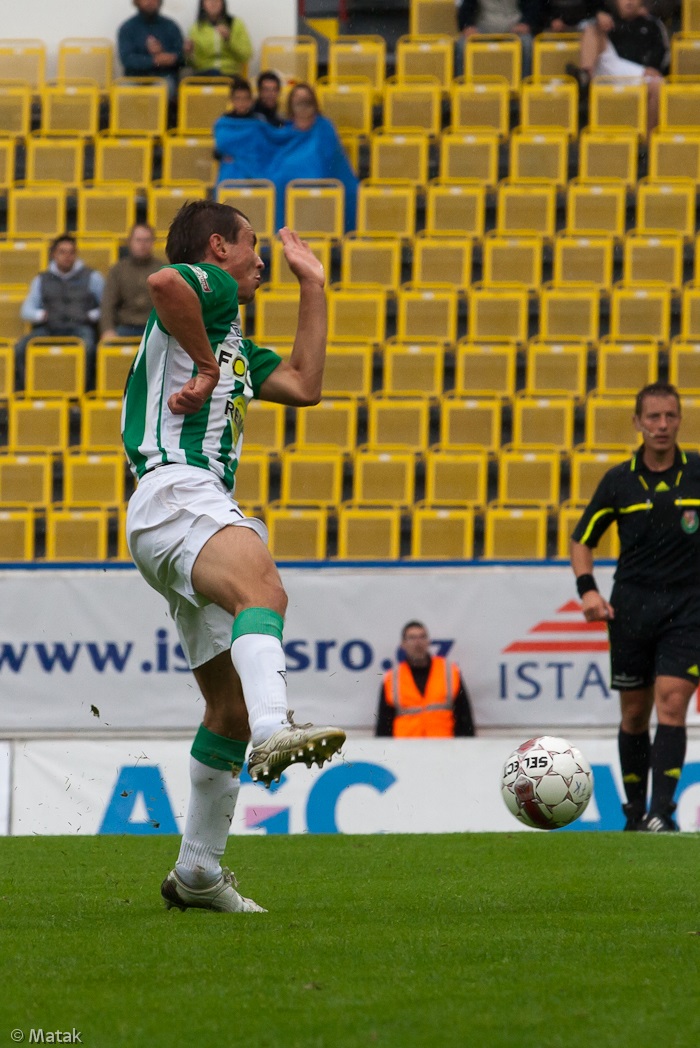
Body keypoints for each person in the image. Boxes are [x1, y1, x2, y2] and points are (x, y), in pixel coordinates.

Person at [122, 200, 346, 912]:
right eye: (253, 247)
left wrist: (314, 286)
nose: (260, 262)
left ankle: (196, 875)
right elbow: (163, 284)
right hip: (179, 492)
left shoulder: (235, 339)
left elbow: (306, 387)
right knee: (266, 591)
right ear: (218, 248)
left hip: (172, 511)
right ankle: (278, 731)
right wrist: (205, 364)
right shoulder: (210, 294)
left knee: (226, 710)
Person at [570, 382, 700, 833]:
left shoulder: (698, 472)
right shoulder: (619, 480)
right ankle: (634, 812)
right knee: (633, 713)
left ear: (680, 419)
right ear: (638, 423)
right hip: (631, 610)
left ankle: (662, 813)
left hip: (687, 610)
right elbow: (582, 539)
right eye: (653, 418)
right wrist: (588, 589)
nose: (662, 426)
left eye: (670, 416)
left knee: (672, 702)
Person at [16, 234, 104, 390]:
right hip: (50, 328)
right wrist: (40, 315)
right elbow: (26, 310)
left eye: (71, 252)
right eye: (62, 252)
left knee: (90, 347)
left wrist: (92, 315)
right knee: (21, 347)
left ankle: (85, 391)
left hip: (79, 327)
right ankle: (25, 391)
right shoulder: (41, 279)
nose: (67, 256)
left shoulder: (92, 277)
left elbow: (106, 305)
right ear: (53, 254)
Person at [566, 0, 669, 131]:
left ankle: (647, 145)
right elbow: (577, 23)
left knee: (658, 85)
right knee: (592, 29)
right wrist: (597, 15)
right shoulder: (608, 20)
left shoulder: (653, 24)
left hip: (637, 75)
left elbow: (662, 53)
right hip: (608, 71)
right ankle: (584, 77)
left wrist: (654, 68)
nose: (629, 2)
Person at [376, 621, 476, 737]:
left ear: (428, 642)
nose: (418, 643)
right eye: (412, 638)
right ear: (403, 644)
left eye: (422, 637)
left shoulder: (449, 671)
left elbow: (464, 715)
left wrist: (465, 748)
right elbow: (383, 724)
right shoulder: (392, 678)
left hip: (444, 747)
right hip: (405, 749)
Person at [100, 224, 165, 341]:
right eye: (138, 240)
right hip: (126, 326)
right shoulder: (118, 270)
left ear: (152, 243)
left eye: (147, 240)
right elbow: (108, 304)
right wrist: (107, 329)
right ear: (129, 242)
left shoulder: (163, 269)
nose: (143, 244)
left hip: (155, 327)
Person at [456, 0, 540, 78]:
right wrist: (468, 26)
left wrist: (526, 23)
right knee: (461, 45)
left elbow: (533, 8)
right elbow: (466, 10)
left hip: (514, 30)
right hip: (483, 29)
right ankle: (462, 85)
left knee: (527, 43)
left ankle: (524, 85)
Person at [118, 0, 184, 97]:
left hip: (163, 78)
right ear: (137, 2)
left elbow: (181, 57)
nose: (149, 2)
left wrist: (170, 56)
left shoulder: (171, 26)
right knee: (123, 90)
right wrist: (154, 60)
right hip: (135, 79)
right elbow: (127, 59)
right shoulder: (127, 28)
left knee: (165, 88)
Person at [185, 0, 253, 78]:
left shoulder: (235, 24)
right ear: (202, 4)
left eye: (217, 0)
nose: (213, 2)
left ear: (223, 3)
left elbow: (246, 55)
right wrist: (189, 53)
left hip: (230, 73)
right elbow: (194, 64)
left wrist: (229, 39)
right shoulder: (196, 28)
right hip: (205, 74)